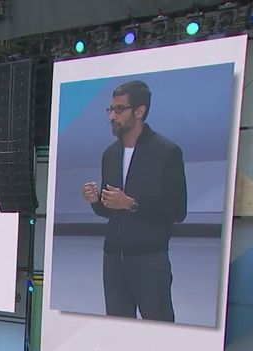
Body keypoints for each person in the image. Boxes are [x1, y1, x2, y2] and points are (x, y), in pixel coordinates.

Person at [80, 80, 187, 323]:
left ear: (139, 111)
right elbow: (110, 211)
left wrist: (131, 204)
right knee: (118, 331)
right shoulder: (110, 154)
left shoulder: (167, 152)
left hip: (150, 260)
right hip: (113, 260)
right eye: (110, 109)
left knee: (158, 329)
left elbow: (177, 210)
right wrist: (96, 201)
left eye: (119, 109)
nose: (112, 116)